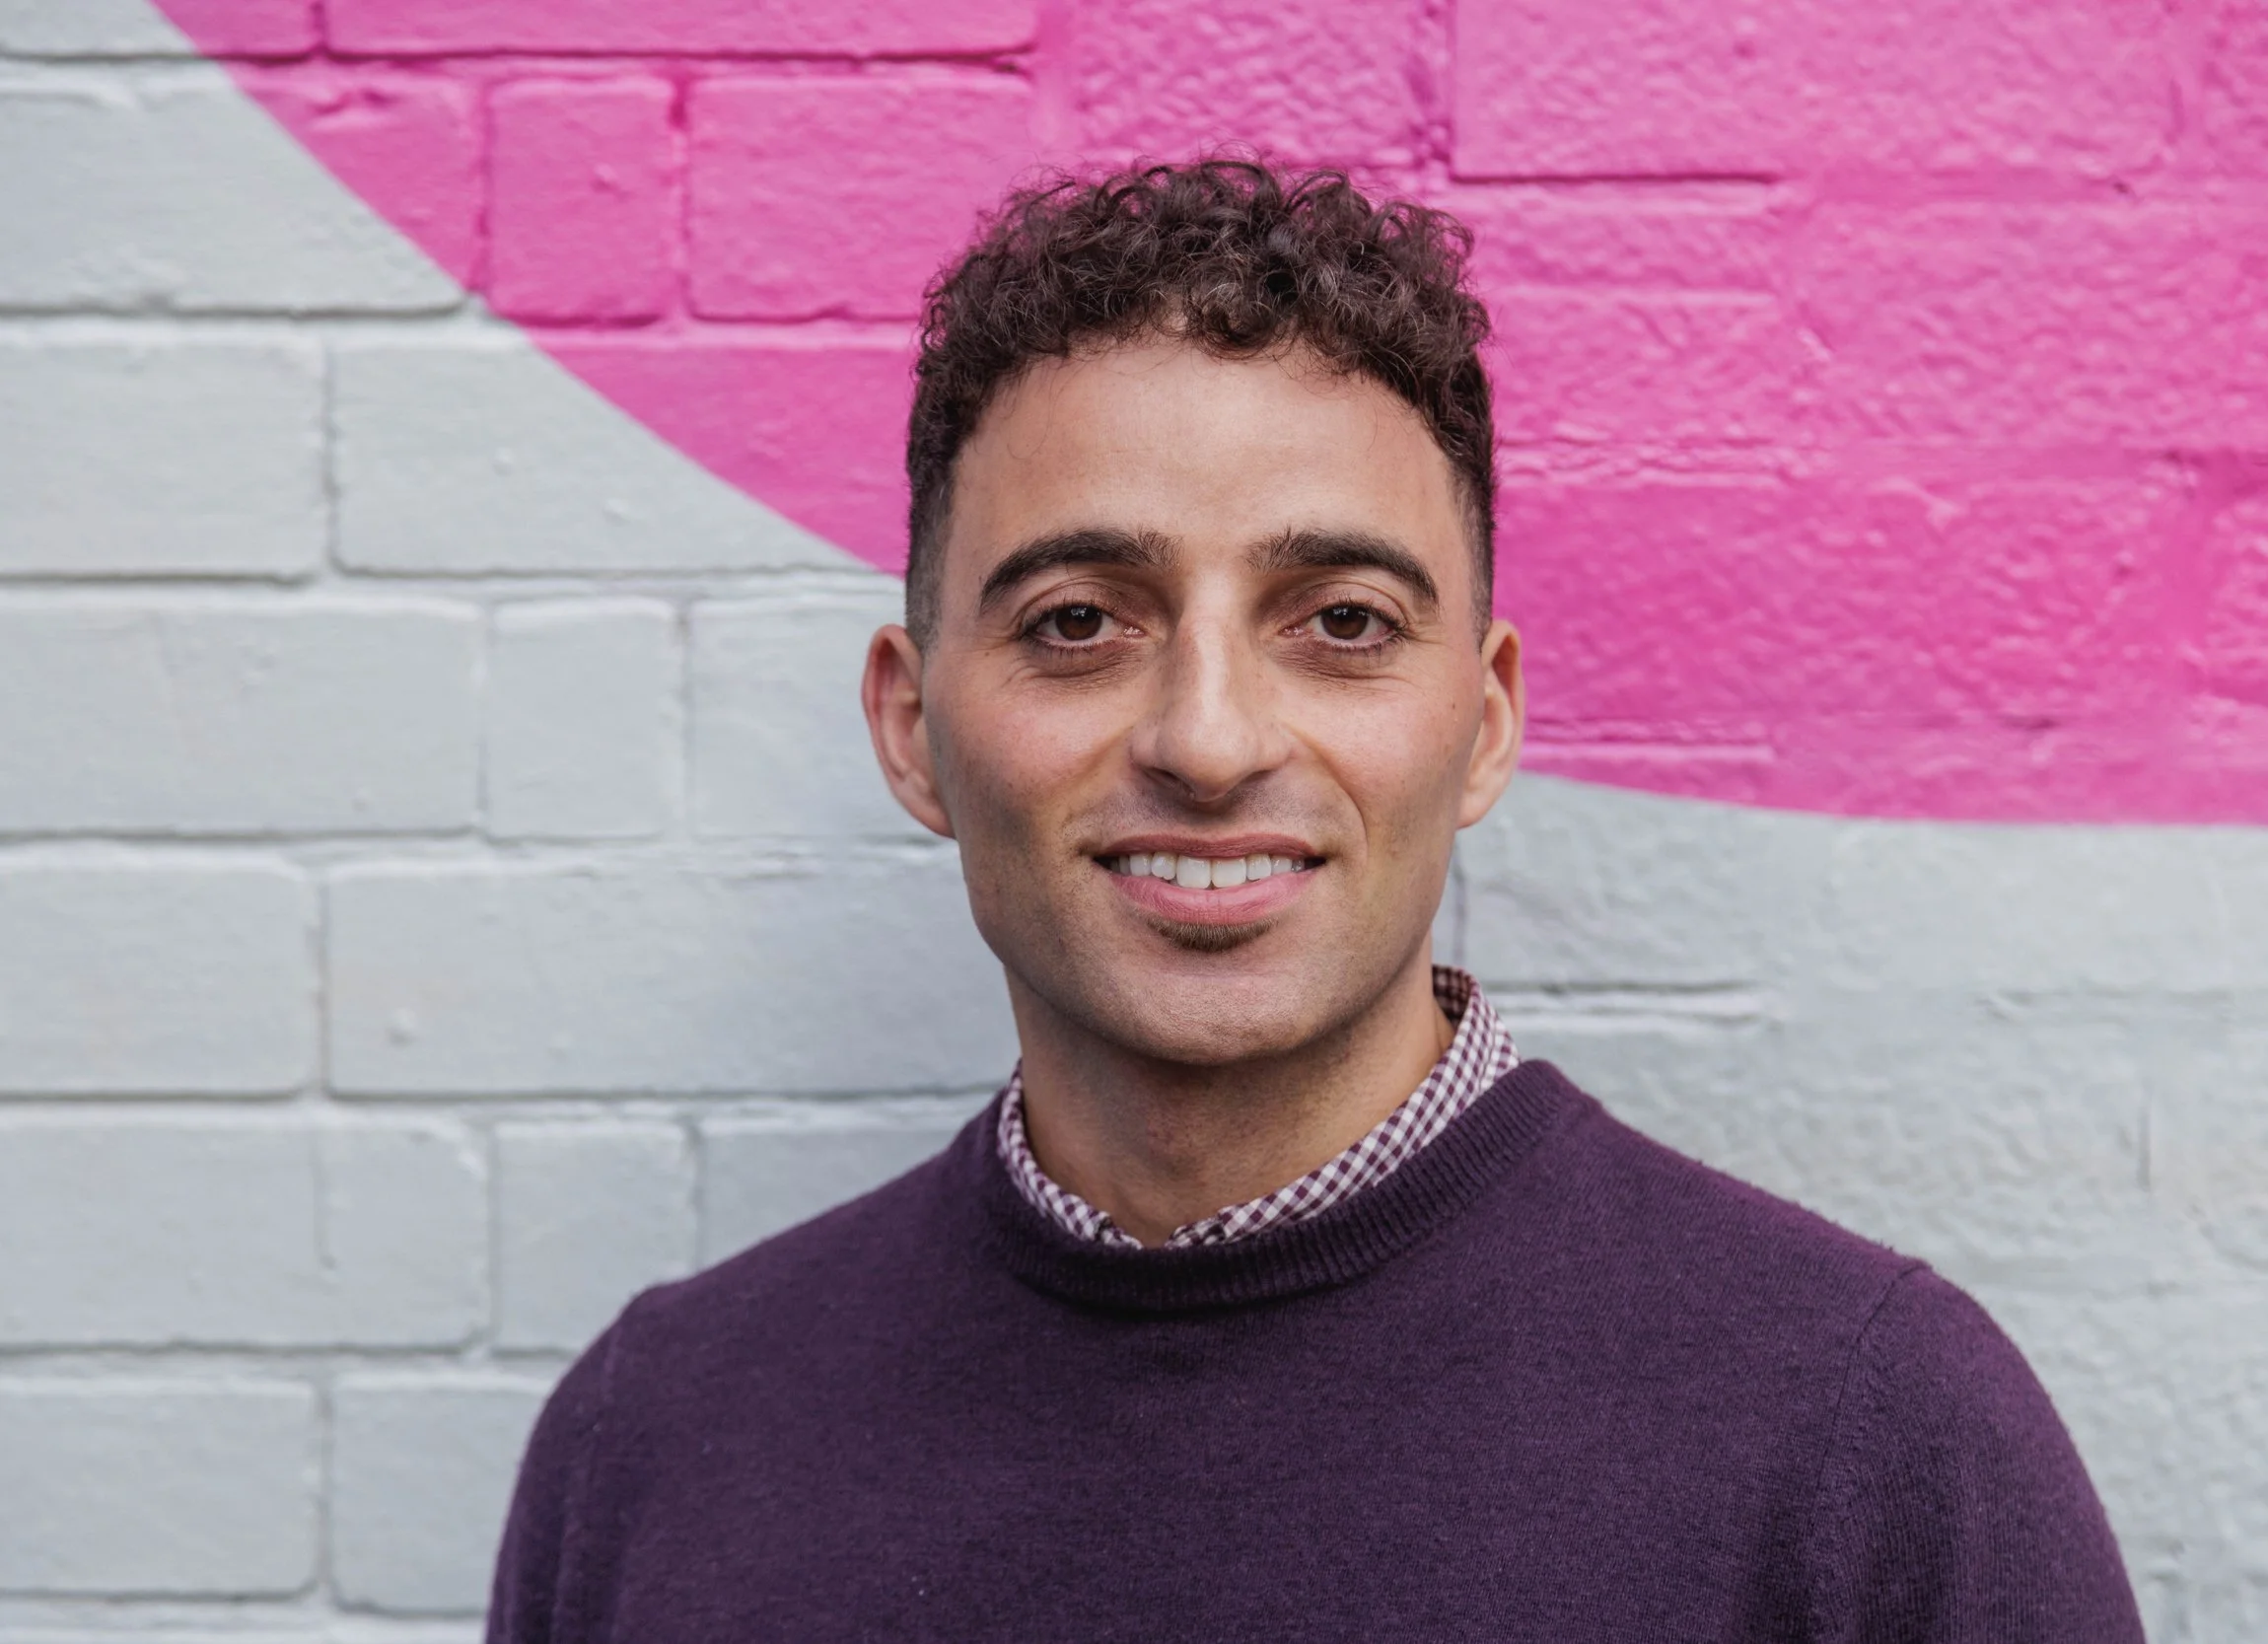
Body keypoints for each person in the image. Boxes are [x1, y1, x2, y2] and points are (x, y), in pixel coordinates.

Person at [486, 159, 2144, 1642]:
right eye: (1079, 620)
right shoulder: (656, 1442)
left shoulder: (1869, 1440)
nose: (1209, 738)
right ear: (914, 730)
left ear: (1481, 723)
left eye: (1341, 620)